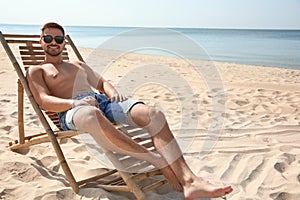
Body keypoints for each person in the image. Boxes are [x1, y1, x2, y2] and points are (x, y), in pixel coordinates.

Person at [27, 22, 233, 199]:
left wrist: (113, 92)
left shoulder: (77, 64)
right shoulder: (37, 70)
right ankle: (154, 159)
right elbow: (44, 100)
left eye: (58, 38)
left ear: (64, 42)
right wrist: (75, 103)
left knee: (154, 114)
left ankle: (190, 181)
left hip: (102, 103)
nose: (53, 42)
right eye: (48, 38)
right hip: (71, 111)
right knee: (91, 114)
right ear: (41, 41)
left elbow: (102, 83)